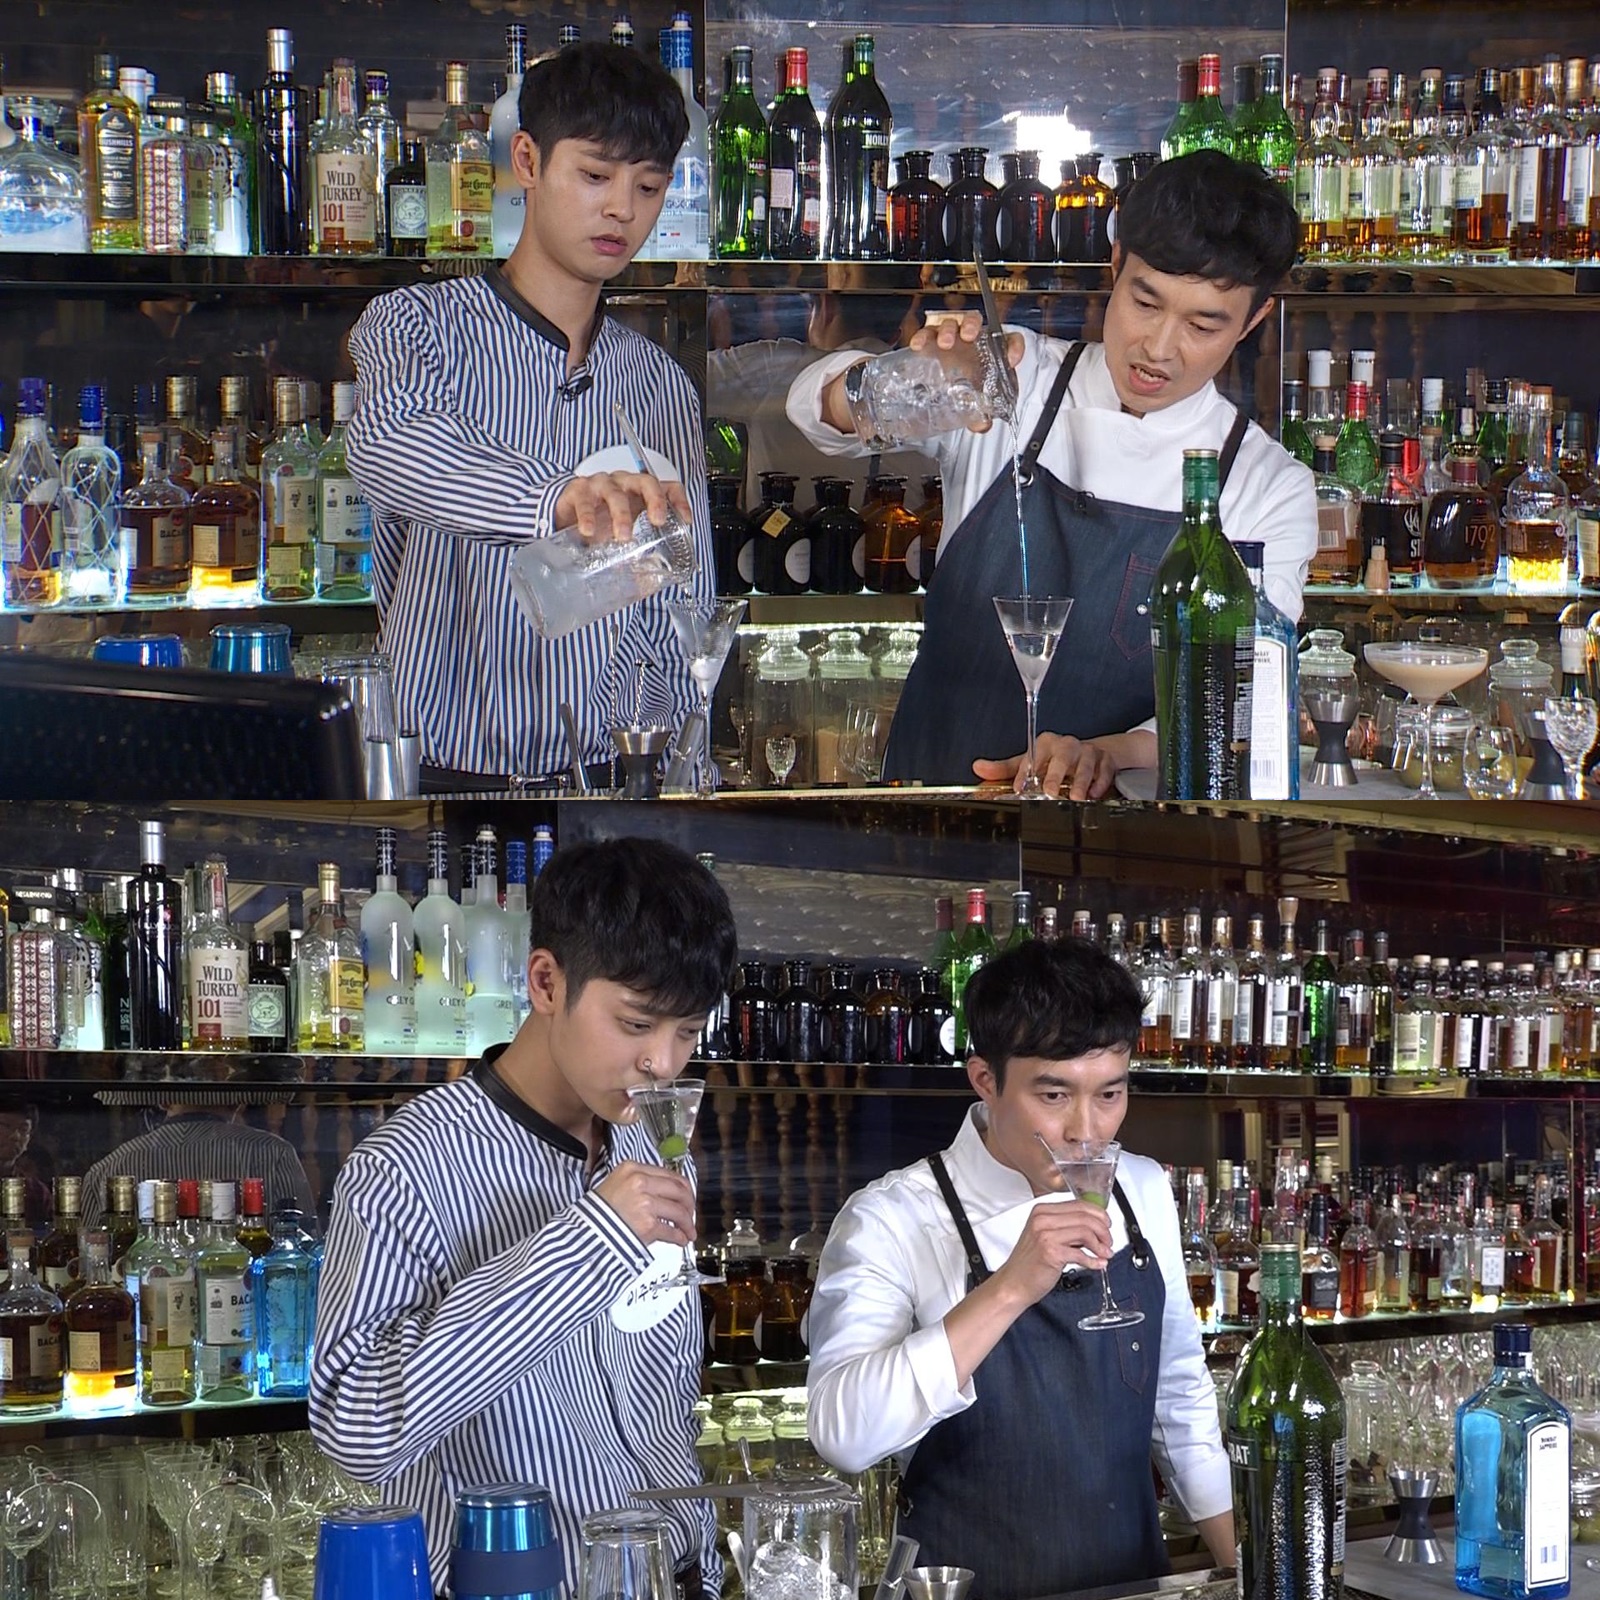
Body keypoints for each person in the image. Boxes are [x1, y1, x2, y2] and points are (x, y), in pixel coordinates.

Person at [786, 150, 1315, 798]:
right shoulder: (1018, 377)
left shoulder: (1266, 485)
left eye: (1202, 325)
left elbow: (1244, 695)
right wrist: (917, 379)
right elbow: (813, 410)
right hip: (932, 801)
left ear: (1254, 319)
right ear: (1115, 264)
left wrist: (1109, 753)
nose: (1158, 348)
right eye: (1145, 302)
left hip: (1120, 833)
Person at [310, 838, 738, 1597]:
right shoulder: (406, 1166)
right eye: (636, 1024)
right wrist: (590, 1242)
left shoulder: (655, 1149)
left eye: (688, 1032)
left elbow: (666, 1398)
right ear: (546, 981)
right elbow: (356, 1429)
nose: (664, 1063)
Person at [805, 939, 1230, 1600]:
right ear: (985, 1080)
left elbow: (1179, 1399)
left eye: (1111, 1093)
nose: (1086, 1130)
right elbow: (843, 1435)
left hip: (1132, 1584)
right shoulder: (893, 1218)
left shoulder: (1142, 1188)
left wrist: (1247, 1566)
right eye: (1054, 1095)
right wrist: (1009, 1288)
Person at [347, 45, 713, 791]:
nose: (622, 209)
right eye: (595, 175)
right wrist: (557, 501)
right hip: (446, 776)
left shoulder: (659, 384)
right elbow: (388, 444)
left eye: (648, 185)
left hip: (612, 779)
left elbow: (684, 609)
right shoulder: (418, 325)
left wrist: (683, 784)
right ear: (527, 161)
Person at [80, 1100, 315, 1231]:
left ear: (163, 1099)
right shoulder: (275, 1153)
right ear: (239, 1099)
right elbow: (308, 1249)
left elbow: (88, 1265)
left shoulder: (107, 1169)